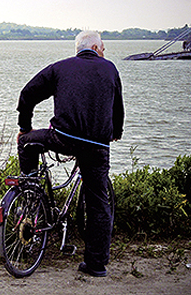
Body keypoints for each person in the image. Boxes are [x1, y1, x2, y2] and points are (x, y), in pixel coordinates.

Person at [16, 30, 124, 277]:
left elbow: (27, 94)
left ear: (78, 49)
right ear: (95, 47)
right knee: (98, 202)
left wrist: (25, 127)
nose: (104, 52)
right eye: (103, 47)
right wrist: (115, 132)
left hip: (63, 139)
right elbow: (117, 107)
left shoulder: (59, 68)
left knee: (26, 142)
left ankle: (30, 190)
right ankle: (96, 265)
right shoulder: (110, 70)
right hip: (97, 145)